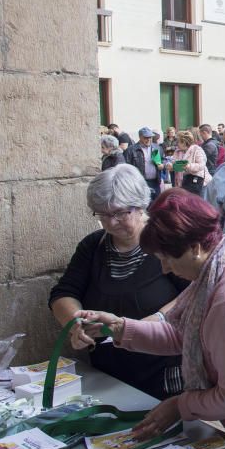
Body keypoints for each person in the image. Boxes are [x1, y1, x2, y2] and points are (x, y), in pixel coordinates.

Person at [74, 189, 225, 446]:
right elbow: (185, 334)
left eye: (166, 259)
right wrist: (119, 328)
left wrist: (179, 405)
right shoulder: (224, 258)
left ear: (195, 248)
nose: (164, 268)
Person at [50, 166, 187, 401]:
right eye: (103, 214)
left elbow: (194, 292)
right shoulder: (93, 246)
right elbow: (63, 293)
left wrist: (151, 322)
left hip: (162, 370)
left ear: (141, 205)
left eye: (120, 213)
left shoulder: (168, 240)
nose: (111, 222)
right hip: (109, 371)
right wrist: (76, 324)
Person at [124, 126, 163, 201]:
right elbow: (126, 168)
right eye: (146, 137)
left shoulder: (157, 148)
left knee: (156, 205)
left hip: (155, 182)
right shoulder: (131, 150)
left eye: (150, 137)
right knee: (143, 205)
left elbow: (163, 159)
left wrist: (163, 165)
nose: (149, 139)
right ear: (140, 137)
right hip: (140, 183)